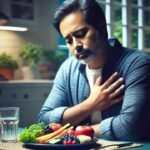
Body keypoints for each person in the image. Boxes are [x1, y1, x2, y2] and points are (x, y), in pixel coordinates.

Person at [38, 0, 150, 141]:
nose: (76, 46)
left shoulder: (138, 64)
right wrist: (90, 105)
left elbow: (130, 127)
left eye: (80, 33)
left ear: (102, 28)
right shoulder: (67, 69)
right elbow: (44, 121)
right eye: (68, 41)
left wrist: (71, 133)